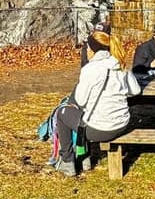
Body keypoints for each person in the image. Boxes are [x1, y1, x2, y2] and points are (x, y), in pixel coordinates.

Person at [54, 31, 141, 177]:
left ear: (93, 50)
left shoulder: (90, 69)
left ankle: (67, 161)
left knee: (62, 113)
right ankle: (85, 160)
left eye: (88, 48)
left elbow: (80, 101)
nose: (86, 51)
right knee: (86, 115)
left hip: (100, 129)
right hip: (122, 125)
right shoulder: (120, 65)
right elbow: (136, 90)